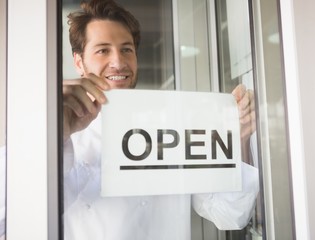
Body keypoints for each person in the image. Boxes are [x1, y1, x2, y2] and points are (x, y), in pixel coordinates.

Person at [62, 0, 258, 239]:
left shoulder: (172, 128)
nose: (118, 62)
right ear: (79, 61)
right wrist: (57, 133)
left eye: (126, 49)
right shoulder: (61, 133)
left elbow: (229, 215)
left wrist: (238, 138)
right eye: (103, 50)